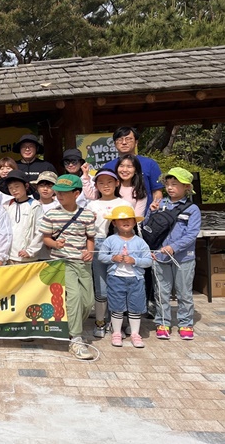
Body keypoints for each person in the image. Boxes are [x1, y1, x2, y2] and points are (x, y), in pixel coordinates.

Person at [39, 174, 96, 360]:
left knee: (88, 301)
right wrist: (55, 244)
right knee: (74, 297)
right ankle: (76, 338)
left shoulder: (87, 214)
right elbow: (46, 238)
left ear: (76, 194)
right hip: (62, 262)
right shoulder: (51, 214)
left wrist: (90, 252)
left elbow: (90, 237)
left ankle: (72, 326)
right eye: (58, 192)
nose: (59, 195)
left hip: (83, 263)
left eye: (64, 192)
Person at [150, 167, 201, 341]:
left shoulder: (192, 209)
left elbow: (192, 234)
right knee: (161, 292)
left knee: (184, 292)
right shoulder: (160, 204)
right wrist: (152, 212)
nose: (170, 188)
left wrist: (174, 247)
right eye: (168, 184)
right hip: (160, 256)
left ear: (186, 187)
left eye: (175, 184)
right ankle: (163, 322)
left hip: (184, 258)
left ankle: (186, 323)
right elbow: (149, 229)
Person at [83, 169, 131, 338]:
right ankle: (100, 321)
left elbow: (132, 228)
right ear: (96, 186)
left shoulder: (124, 204)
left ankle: (116, 323)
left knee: (118, 285)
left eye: (110, 182)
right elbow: (86, 230)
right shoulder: (91, 205)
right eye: (101, 183)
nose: (106, 186)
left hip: (120, 244)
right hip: (98, 244)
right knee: (101, 286)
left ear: (117, 183)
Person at [98, 206, 152, 348]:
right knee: (117, 306)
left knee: (135, 306)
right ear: (114, 223)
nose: (126, 222)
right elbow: (101, 256)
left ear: (134, 222)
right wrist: (112, 258)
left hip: (136, 279)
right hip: (116, 278)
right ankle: (116, 332)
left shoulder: (140, 242)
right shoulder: (110, 240)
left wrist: (135, 261)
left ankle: (135, 333)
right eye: (121, 220)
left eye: (129, 219)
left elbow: (148, 260)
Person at [102, 127, 163, 210]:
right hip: (114, 214)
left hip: (145, 215)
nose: (124, 142)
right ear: (115, 144)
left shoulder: (150, 164)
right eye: (120, 139)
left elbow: (157, 191)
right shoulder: (107, 167)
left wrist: (156, 209)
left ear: (136, 142)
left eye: (128, 139)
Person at [0, 170, 43, 264]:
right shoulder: (6, 205)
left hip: (26, 257)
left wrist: (30, 251)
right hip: (8, 256)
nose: (14, 190)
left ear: (26, 186)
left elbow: (40, 231)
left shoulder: (35, 205)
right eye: (10, 188)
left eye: (17, 186)